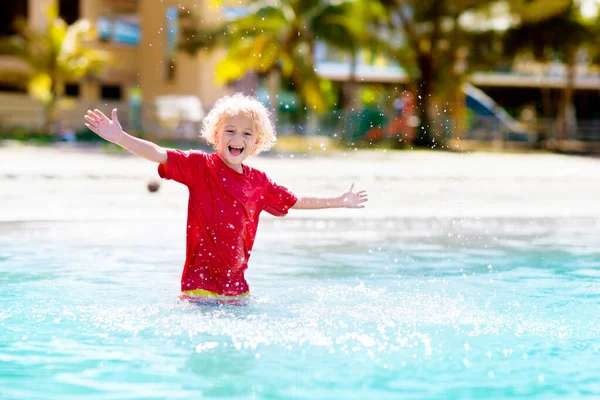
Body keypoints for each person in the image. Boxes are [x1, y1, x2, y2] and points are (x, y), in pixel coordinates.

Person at [84, 93, 368, 305]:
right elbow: (160, 153)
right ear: (216, 135)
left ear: (256, 143)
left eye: (246, 133)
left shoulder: (259, 182)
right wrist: (120, 138)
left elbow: (295, 201)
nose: (237, 138)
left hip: (237, 288)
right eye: (230, 131)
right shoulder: (199, 167)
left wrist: (339, 200)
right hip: (198, 285)